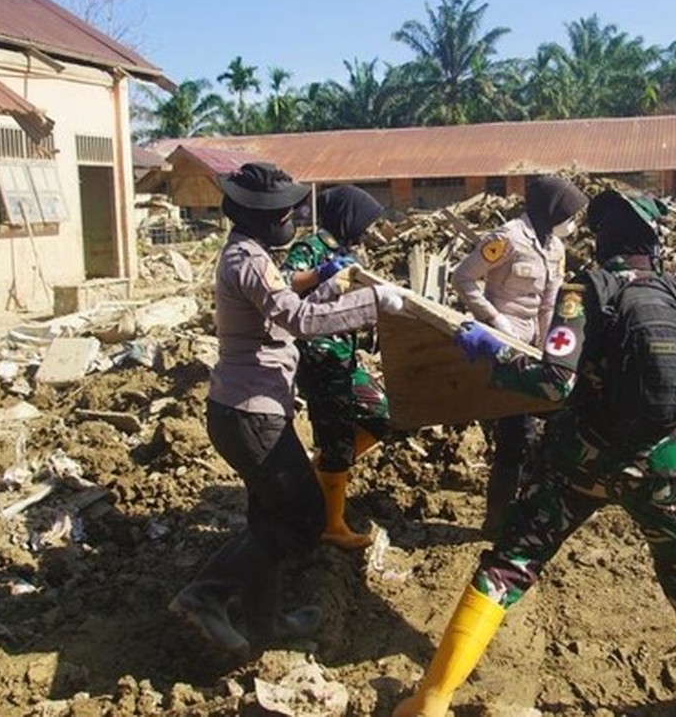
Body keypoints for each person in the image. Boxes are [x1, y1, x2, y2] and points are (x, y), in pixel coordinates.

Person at [395, 189, 676, 716]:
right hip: (662, 466)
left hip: (581, 460)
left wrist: (494, 356)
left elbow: (555, 384)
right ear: (656, 242)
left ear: (601, 240)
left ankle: (432, 699)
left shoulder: (585, 293)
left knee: (510, 562)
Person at [169, 162, 408, 652]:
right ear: (263, 217)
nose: (293, 218)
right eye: (285, 212)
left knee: (268, 519)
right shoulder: (249, 260)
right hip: (249, 412)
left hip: (250, 408)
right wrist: (374, 304)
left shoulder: (249, 253)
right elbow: (298, 321)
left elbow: (281, 308)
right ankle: (203, 595)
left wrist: (325, 282)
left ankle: (264, 621)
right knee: (302, 518)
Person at [449, 175, 588, 537]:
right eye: (570, 215)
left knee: (553, 425)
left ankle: (531, 508)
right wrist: (493, 319)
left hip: (535, 348)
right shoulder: (507, 238)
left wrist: (550, 349)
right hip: (502, 346)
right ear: (552, 210)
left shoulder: (554, 246)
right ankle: (497, 520)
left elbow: (549, 303)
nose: (573, 224)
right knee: (516, 433)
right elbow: (462, 277)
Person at [280, 185, 392, 550]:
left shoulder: (346, 251)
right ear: (348, 216)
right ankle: (331, 522)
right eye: (364, 221)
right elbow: (284, 285)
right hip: (319, 355)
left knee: (381, 414)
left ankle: (324, 472)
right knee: (336, 437)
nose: (367, 229)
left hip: (343, 354)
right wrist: (322, 273)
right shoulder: (310, 249)